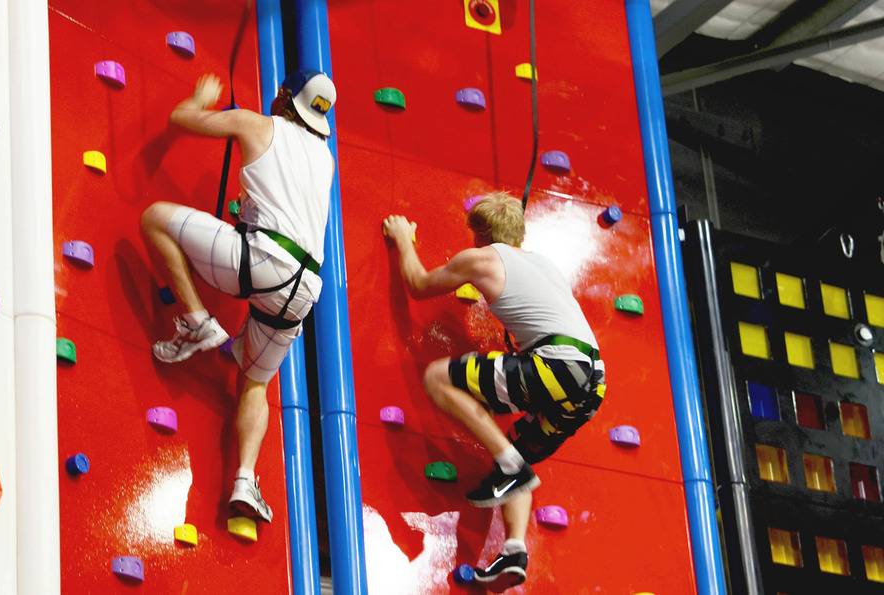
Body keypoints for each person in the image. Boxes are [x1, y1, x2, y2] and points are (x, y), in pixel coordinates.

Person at [382, 192, 606, 592]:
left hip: (557, 365)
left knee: (437, 377)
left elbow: (417, 285)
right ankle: (516, 549)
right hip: (591, 382)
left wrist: (403, 238)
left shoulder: (482, 259)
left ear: (479, 235)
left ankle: (509, 467)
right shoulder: (545, 266)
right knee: (515, 448)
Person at [140, 70, 336, 524]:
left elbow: (181, 119)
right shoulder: (325, 159)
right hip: (303, 292)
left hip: (260, 261)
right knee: (254, 382)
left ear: (285, 96)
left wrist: (199, 96)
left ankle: (196, 320)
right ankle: (245, 480)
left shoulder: (256, 124)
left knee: (154, 219)